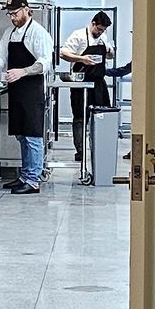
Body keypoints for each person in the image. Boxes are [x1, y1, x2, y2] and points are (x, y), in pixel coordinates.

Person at [0, 0, 52, 194]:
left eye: (15, 13)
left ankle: (33, 180)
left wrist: (22, 71)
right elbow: (0, 56)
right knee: (21, 136)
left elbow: (44, 63)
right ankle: (24, 176)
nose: (12, 18)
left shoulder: (38, 33)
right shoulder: (10, 33)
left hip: (32, 92)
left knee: (33, 136)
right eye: (9, 14)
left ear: (26, 9)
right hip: (16, 91)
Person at [60, 10, 115, 182]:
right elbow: (63, 53)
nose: (100, 32)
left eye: (103, 30)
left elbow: (110, 55)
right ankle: (80, 151)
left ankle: (100, 147)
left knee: (101, 115)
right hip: (81, 82)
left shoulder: (103, 38)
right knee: (80, 118)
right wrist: (82, 59)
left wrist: (109, 51)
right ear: (92, 23)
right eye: (99, 29)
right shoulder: (78, 35)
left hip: (98, 82)